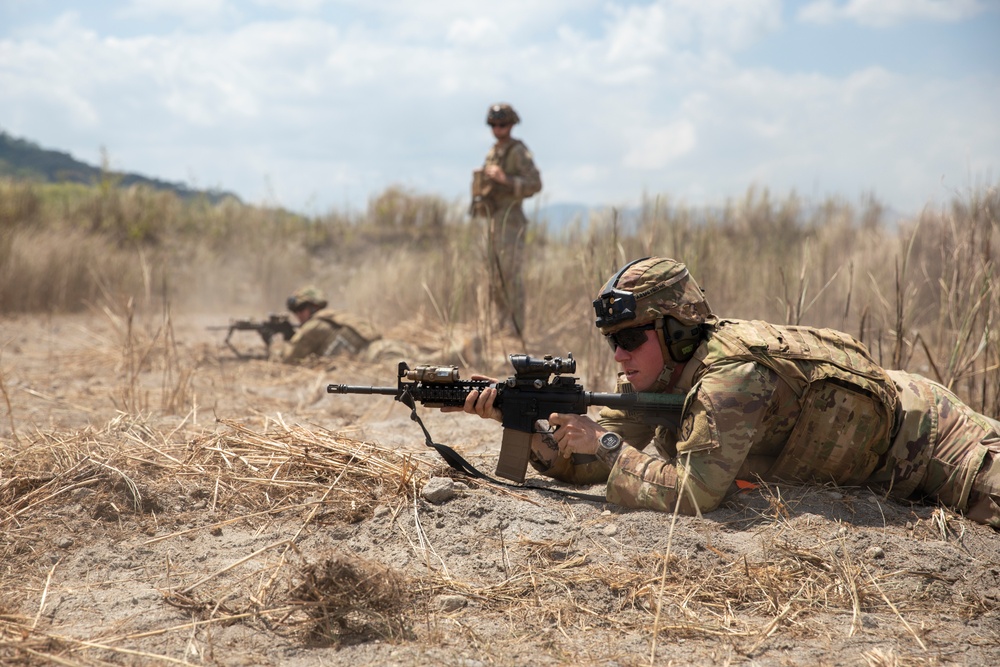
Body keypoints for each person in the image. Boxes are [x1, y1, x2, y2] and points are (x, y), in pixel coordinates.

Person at [451, 257, 1000, 528]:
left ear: (676, 331)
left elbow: (693, 495)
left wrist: (609, 446)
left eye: (631, 338)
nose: (618, 354)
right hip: (884, 469)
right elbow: (598, 466)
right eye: (612, 341)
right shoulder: (653, 373)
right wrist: (521, 426)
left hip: (936, 440)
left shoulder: (731, 377)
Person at [470, 103, 543, 336]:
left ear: (511, 125)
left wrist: (505, 179)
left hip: (510, 222)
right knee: (493, 275)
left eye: (502, 124)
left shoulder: (518, 151)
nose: (498, 129)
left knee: (510, 274)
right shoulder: (493, 152)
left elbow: (535, 184)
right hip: (493, 220)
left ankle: (515, 327)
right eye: (493, 125)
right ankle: (500, 323)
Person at [274, 285, 384, 364]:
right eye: (295, 311)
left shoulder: (314, 326)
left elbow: (288, 360)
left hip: (375, 358)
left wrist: (275, 343)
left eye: (300, 308)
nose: (298, 314)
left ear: (314, 307)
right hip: (383, 350)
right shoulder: (337, 317)